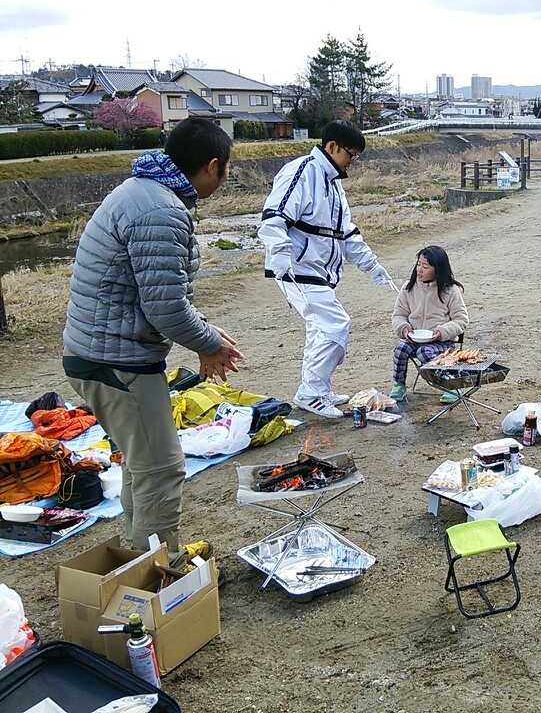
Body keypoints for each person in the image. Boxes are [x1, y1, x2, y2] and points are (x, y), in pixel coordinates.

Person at [62, 116, 244, 557]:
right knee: (161, 469)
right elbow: (164, 309)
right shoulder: (161, 211)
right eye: (225, 171)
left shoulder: (141, 190)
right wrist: (208, 343)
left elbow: (164, 292)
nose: (223, 180)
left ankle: (141, 555)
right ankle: (161, 572)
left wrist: (205, 334)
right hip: (117, 363)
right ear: (212, 165)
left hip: (98, 353)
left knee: (142, 464)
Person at [258, 120, 395, 418]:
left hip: (318, 270)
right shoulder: (302, 171)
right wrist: (280, 255)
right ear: (332, 146)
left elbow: (346, 234)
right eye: (351, 154)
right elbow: (274, 217)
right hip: (296, 268)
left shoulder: (333, 183)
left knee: (319, 329)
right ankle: (311, 392)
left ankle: (318, 388)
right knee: (335, 325)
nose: (352, 161)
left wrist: (373, 267)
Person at [389, 246, 469, 403]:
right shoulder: (408, 288)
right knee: (400, 349)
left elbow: (461, 319)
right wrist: (404, 329)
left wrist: (441, 332)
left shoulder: (450, 290)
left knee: (424, 352)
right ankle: (399, 385)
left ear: (437, 269)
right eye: (418, 264)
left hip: (442, 342)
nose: (419, 270)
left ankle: (450, 384)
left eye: (425, 267)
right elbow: (399, 315)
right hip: (414, 339)